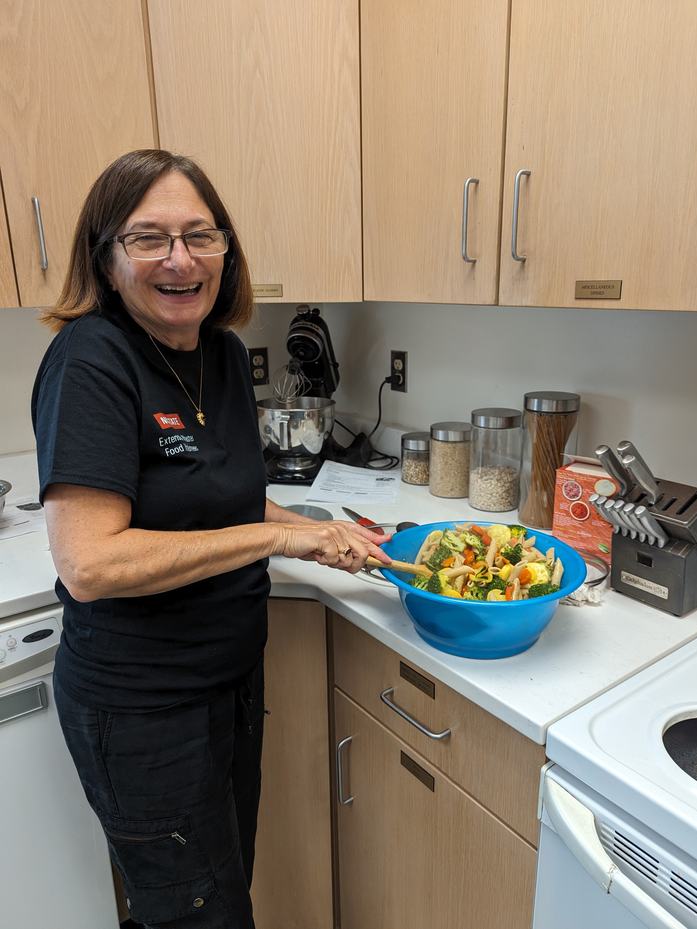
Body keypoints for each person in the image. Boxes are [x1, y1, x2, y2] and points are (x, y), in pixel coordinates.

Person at [31, 149, 391, 929]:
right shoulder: (91, 361)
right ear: (107, 255)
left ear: (228, 249)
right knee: (201, 913)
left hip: (227, 685)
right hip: (141, 708)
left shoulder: (223, 354)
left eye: (201, 234)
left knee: (216, 895)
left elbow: (224, 495)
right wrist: (277, 541)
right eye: (149, 237)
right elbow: (90, 562)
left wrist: (326, 530)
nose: (181, 258)